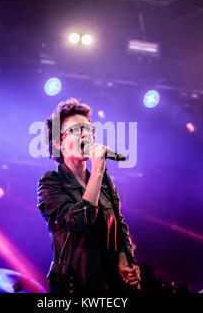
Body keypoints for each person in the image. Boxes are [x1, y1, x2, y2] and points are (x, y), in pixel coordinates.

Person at [37, 98, 141, 294]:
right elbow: (78, 221)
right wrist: (98, 172)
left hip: (110, 284)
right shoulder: (50, 183)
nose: (85, 134)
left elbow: (119, 225)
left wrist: (125, 261)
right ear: (59, 143)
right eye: (76, 130)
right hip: (73, 287)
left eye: (88, 129)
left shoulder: (104, 183)